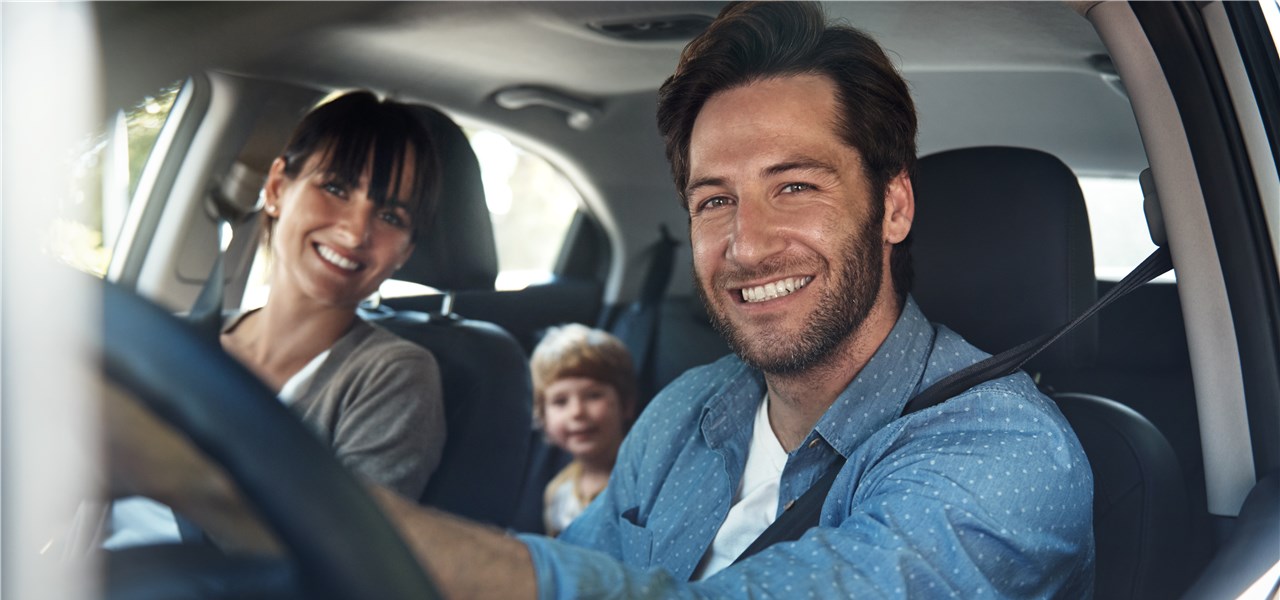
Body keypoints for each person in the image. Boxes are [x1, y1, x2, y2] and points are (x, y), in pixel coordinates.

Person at [108, 2, 1094, 597]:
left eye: (794, 185)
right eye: (714, 199)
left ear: (891, 207)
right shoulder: (685, 414)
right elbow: (569, 563)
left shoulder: (1003, 455)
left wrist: (224, 483)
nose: (745, 243)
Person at [104, 91, 447, 549]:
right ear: (277, 188)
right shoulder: (179, 341)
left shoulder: (392, 375)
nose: (355, 231)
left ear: (405, 250)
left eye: (389, 215)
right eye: (336, 189)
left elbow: (344, 557)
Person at [529, 324, 638, 536]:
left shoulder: (641, 480)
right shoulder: (558, 492)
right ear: (543, 417)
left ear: (626, 404)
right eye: (560, 402)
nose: (577, 412)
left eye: (593, 395)